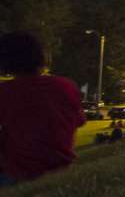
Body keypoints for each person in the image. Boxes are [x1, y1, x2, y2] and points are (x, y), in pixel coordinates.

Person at [0, 32, 85, 186]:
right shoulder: (66, 86)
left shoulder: (6, 92)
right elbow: (79, 121)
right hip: (62, 166)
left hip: (19, 173)